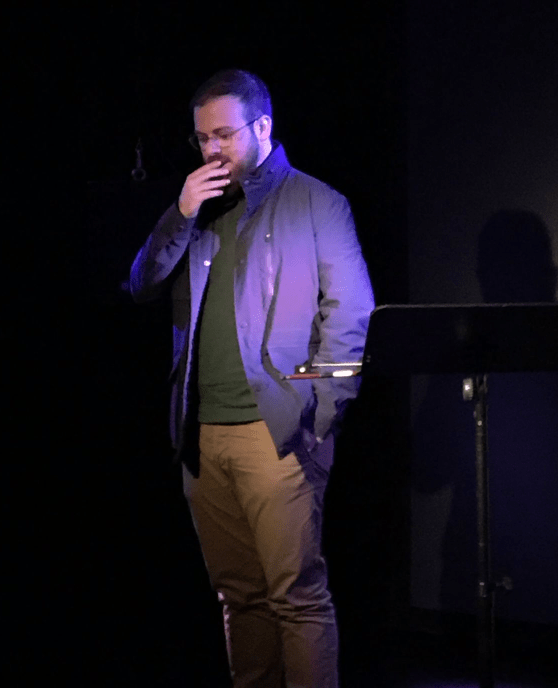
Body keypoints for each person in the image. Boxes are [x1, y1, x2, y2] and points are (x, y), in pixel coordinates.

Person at [129, 69, 374, 688]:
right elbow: (141, 284)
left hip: (280, 432)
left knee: (297, 596)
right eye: (201, 138)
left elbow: (351, 315)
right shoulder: (199, 209)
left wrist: (323, 413)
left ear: (262, 127)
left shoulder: (317, 202)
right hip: (202, 435)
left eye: (224, 135)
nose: (212, 150)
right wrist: (180, 212)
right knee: (238, 596)